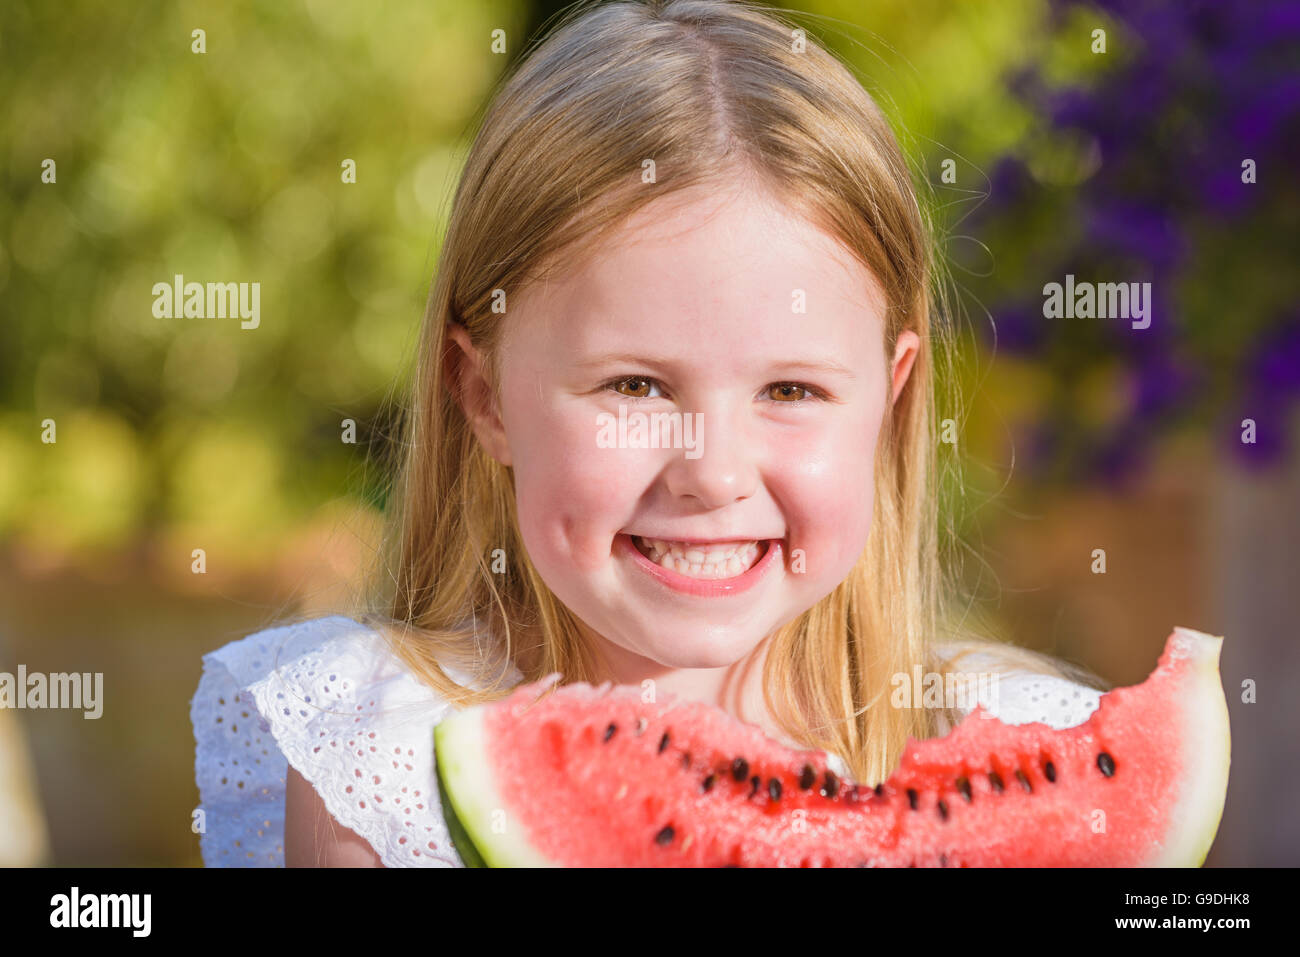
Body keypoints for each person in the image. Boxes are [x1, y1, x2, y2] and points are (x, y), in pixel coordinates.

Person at [190, 0, 1106, 868]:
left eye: (790, 387)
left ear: (892, 405)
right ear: (486, 397)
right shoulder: (378, 752)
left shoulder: (1028, 745)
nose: (712, 472)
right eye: (635, 385)